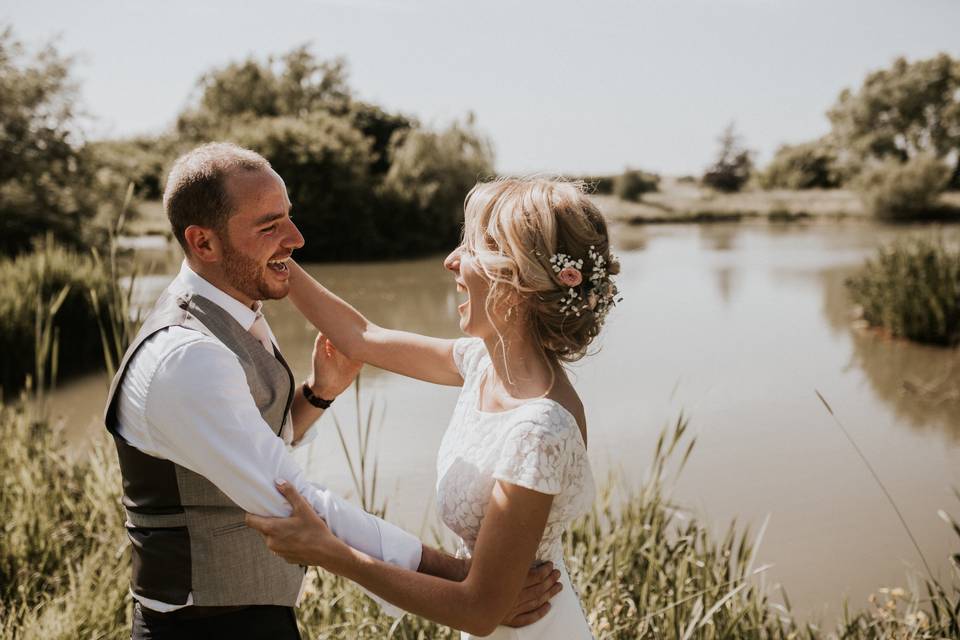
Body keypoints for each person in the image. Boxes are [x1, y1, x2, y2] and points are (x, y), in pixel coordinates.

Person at [103, 143, 559, 640]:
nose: (296, 239)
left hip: (250, 615)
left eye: (289, 219)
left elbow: (249, 443)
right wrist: (460, 578)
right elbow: (288, 496)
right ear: (203, 244)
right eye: (269, 225)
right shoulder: (188, 356)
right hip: (200, 628)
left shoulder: (234, 312)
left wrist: (319, 393)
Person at [247, 177, 620, 638]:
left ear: (522, 275)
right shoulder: (482, 363)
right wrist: (275, 253)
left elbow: (481, 609)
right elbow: (359, 337)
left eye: (474, 245)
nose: (451, 261)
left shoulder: (539, 429)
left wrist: (330, 552)